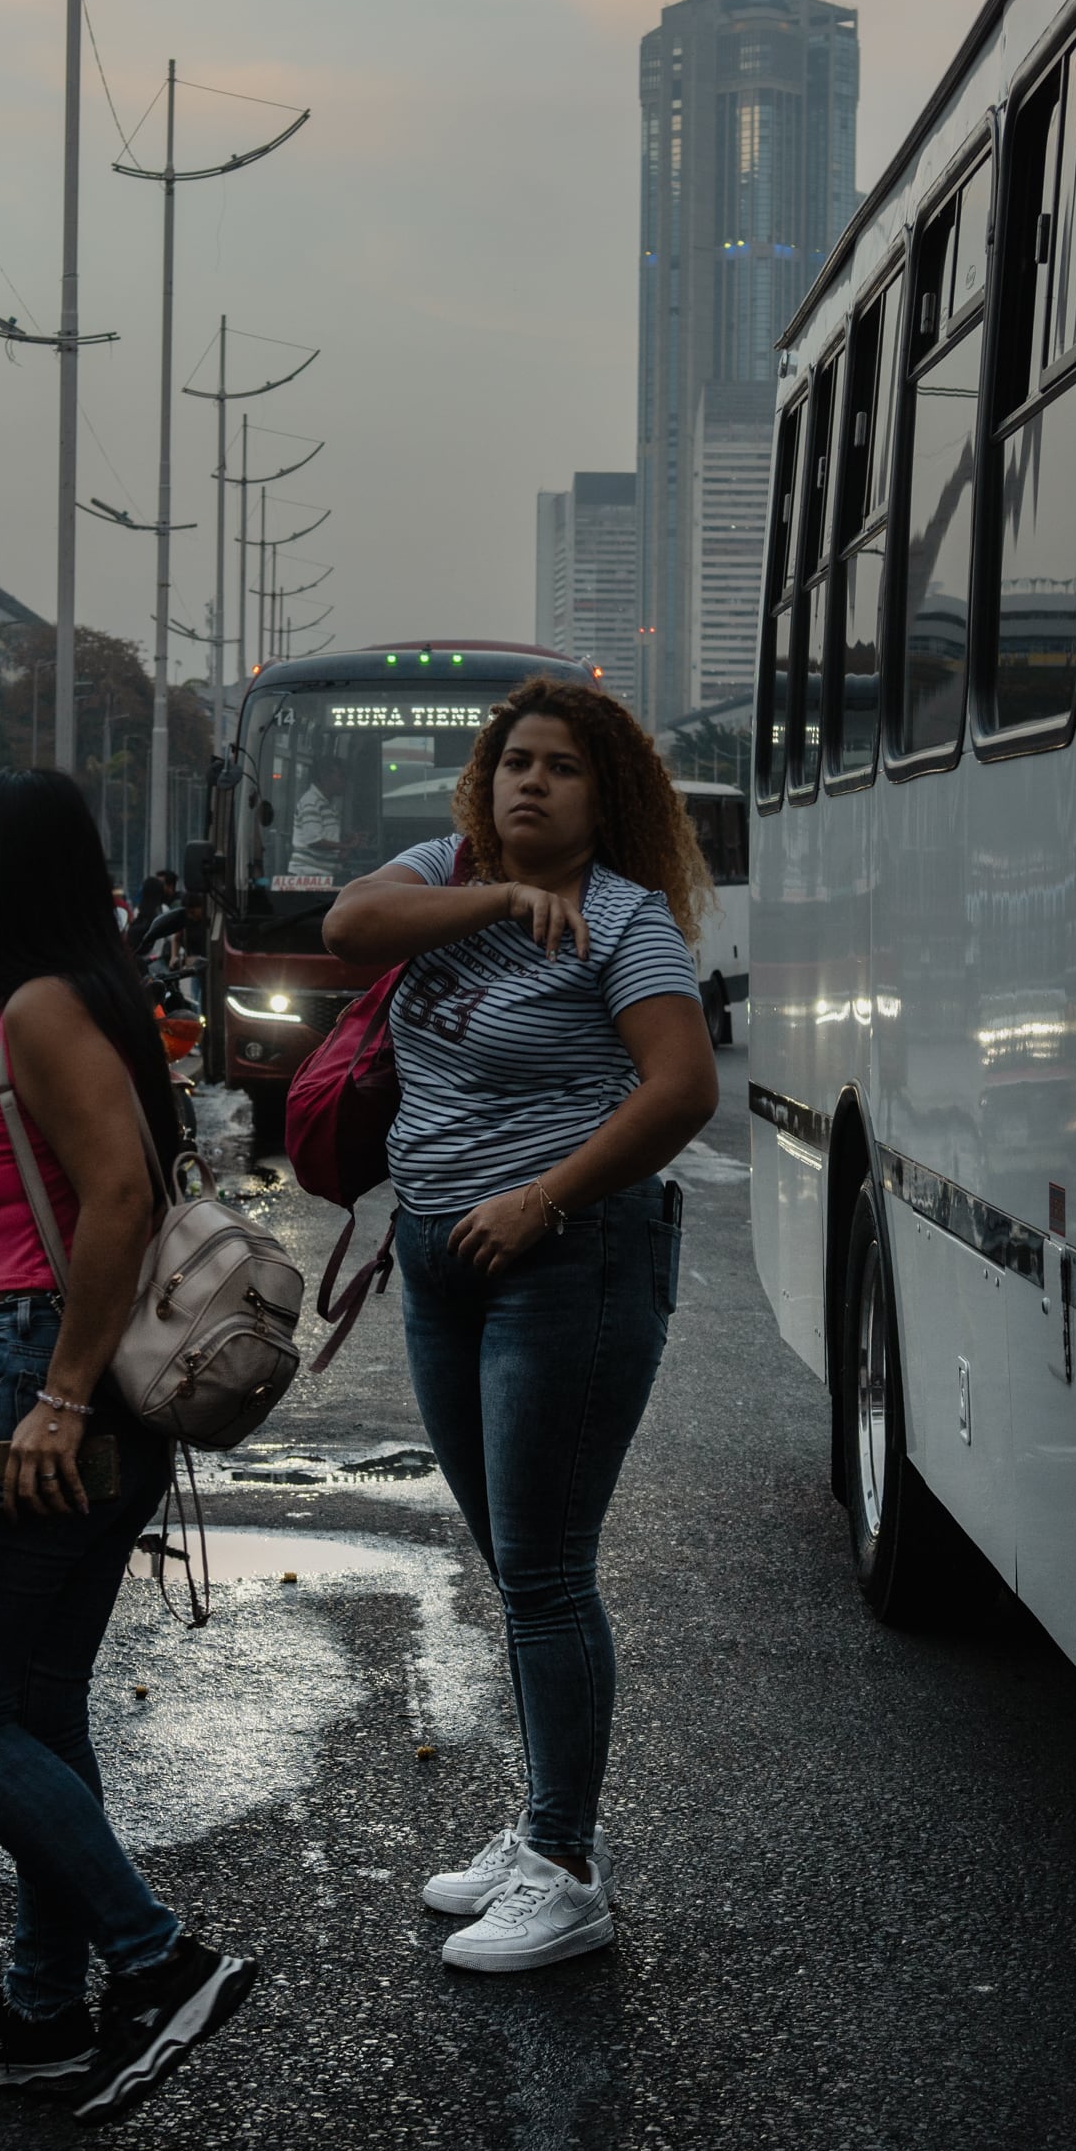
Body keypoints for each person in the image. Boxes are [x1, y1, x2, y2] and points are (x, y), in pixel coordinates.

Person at [320, 677, 718, 1973]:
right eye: (513, 762)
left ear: (606, 796)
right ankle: (540, 1823)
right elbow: (347, 922)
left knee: (546, 1569)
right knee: (511, 1558)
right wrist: (494, 893)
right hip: (441, 1265)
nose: (531, 783)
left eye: (561, 767)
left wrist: (545, 1195)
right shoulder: (447, 875)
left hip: (570, 1261)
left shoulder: (624, 918)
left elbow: (682, 1087)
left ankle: (566, 1863)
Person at [0, 769, 255, 2120]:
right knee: (37, 1700)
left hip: (35, 1378)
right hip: (85, 1385)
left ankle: (157, 1961)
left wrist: (50, 1394)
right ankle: (47, 2007)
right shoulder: (77, 994)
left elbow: (115, 1193)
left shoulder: (47, 1008)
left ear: (4, 878)